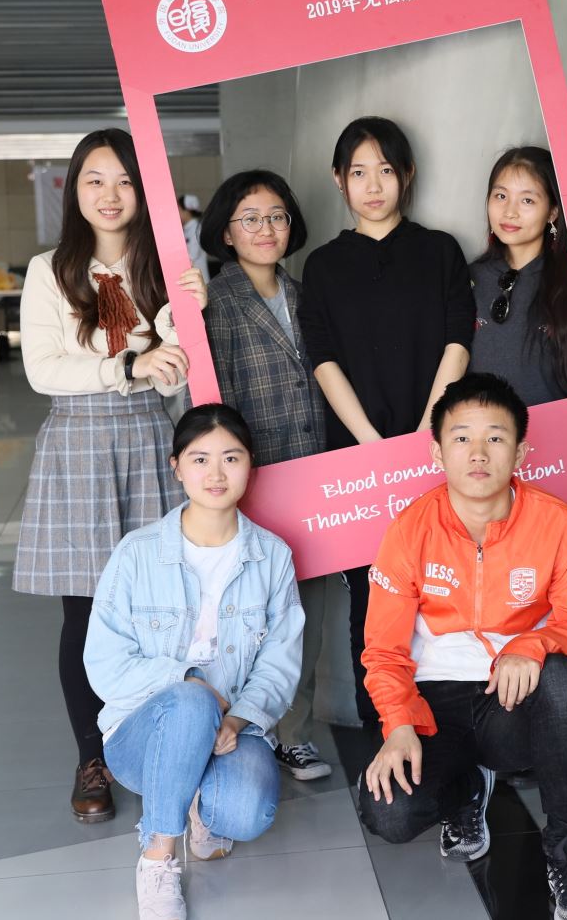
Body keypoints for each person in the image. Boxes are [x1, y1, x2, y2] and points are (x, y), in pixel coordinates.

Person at [358, 373, 567, 920]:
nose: (478, 453)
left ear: (520, 452)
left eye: (495, 438)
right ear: (437, 452)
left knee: (564, 680)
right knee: (389, 814)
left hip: (510, 698)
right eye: (461, 438)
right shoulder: (410, 528)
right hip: (434, 704)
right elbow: (383, 650)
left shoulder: (556, 521)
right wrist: (398, 725)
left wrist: (533, 643)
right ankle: (465, 787)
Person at [13, 128, 191, 824]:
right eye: (95, 179)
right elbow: (42, 369)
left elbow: (177, 374)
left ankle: (159, 740)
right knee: (85, 612)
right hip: (78, 444)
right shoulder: (49, 271)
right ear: (75, 191)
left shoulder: (166, 267)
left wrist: (187, 320)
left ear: (144, 192)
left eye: (124, 180)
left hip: (149, 436)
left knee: (159, 605)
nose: (110, 194)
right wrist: (128, 365)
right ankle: (92, 756)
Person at [84, 403, 305, 920]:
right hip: (140, 736)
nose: (216, 473)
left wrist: (237, 719)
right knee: (188, 698)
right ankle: (158, 856)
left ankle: (198, 803)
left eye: (231, 458)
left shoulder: (273, 556)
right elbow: (104, 662)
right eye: (200, 459)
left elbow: (280, 661)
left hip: (231, 728)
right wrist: (187, 683)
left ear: (250, 465)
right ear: (176, 467)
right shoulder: (136, 553)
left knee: (246, 813)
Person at [298, 115, 475, 726]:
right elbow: (322, 358)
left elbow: (457, 340)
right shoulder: (323, 265)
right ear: (338, 179)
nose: (373, 186)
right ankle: (387, 736)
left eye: (385, 171)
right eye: (358, 172)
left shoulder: (440, 250)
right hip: (358, 462)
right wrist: (374, 446)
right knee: (371, 608)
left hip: (436, 450)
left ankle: (452, 735)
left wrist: (427, 431)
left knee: (448, 594)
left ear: (408, 175)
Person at [162, 169, 333, 782]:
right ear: (226, 233)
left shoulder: (307, 294)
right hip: (248, 479)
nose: (266, 228)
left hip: (313, 473)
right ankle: (227, 726)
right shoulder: (214, 301)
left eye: (277, 216)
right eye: (251, 218)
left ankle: (292, 732)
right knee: (242, 610)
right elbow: (201, 400)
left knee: (302, 613)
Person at [468, 145, 567, 405]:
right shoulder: (467, 279)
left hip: (562, 429)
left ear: (552, 212)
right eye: (500, 196)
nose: (509, 211)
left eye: (527, 200)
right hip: (485, 429)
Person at [178, 194, 210, 282]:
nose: (177, 213)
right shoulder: (186, 229)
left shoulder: (196, 229)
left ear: (187, 211)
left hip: (199, 278)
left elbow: (193, 254)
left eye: (179, 209)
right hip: (191, 277)